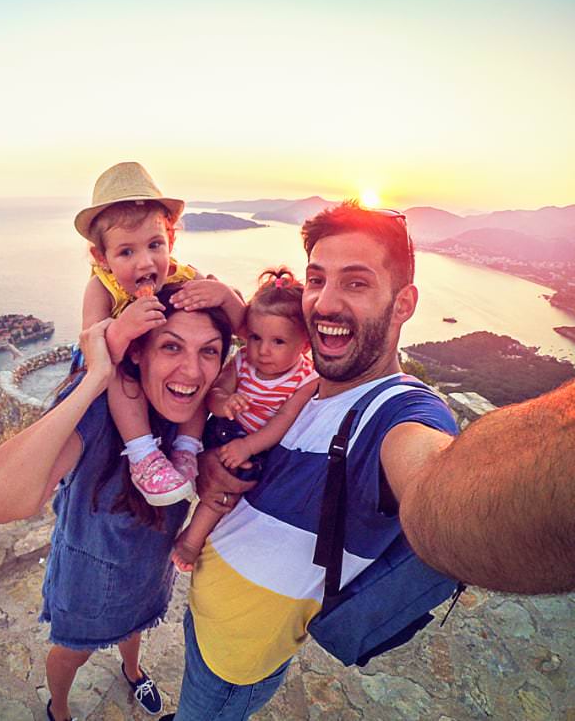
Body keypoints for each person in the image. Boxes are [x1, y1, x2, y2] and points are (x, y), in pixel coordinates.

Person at [162, 200, 575, 720]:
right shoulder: (299, 390)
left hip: (239, 659)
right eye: (317, 280)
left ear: (403, 304)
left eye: (355, 284)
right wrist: (210, 466)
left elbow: (438, 493)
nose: (325, 304)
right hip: (204, 616)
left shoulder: (397, 412)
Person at [0, 287, 235, 721]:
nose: (192, 370)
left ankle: (132, 671)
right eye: (171, 346)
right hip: (88, 577)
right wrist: (96, 376)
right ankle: (58, 709)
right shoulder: (100, 416)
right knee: (72, 653)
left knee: (134, 628)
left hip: (149, 569)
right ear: (137, 354)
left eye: (209, 351)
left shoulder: (197, 416)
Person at [76, 162, 246, 508]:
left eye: (154, 245)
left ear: (171, 239)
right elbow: (92, 351)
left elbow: (243, 328)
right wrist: (122, 330)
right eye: (126, 252)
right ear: (101, 257)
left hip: (161, 368)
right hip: (118, 366)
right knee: (122, 381)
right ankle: (143, 456)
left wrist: (225, 296)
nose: (145, 263)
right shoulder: (101, 288)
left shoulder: (184, 275)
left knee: (194, 372)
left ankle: (186, 449)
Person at [171, 267, 317, 572]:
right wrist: (226, 403)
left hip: (257, 443)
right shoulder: (242, 362)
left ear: (303, 345)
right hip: (224, 431)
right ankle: (190, 540)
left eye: (278, 342)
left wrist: (249, 446)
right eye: (255, 338)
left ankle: (204, 536)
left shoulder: (304, 379)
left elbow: (284, 420)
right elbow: (215, 393)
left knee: (239, 480)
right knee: (230, 483)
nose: (263, 351)